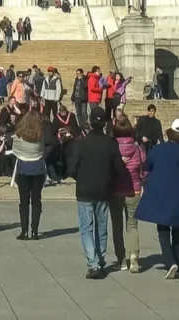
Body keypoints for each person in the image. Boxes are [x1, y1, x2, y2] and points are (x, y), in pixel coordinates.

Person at [135, 118, 179, 279]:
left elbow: (146, 166)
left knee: (163, 230)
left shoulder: (158, 149)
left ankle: (170, 261)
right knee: (178, 231)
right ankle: (178, 264)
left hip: (161, 195)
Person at [68, 107, 127, 279]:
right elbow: (119, 169)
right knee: (101, 226)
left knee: (86, 228)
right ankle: (100, 260)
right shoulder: (111, 143)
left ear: (90, 122)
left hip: (85, 189)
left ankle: (93, 263)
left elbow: (72, 166)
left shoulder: (81, 143)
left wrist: (80, 176)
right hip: (103, 189)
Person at [109, 114, 146, 272]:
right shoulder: (138, 149)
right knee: (132, 225)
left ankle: (121, 258)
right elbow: (144, 169)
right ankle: (134, 257)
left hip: (116, 191)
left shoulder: (112, 148)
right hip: (134, 189)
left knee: (117, 226)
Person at [10, 110, 48, 240]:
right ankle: (35, 231)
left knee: (24, 201)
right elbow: (41, 150)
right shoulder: (40, 134)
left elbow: (15, 150)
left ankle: (24, 231)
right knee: (36, 200)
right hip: (37, 168)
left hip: (23, 168)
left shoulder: (19, 133)